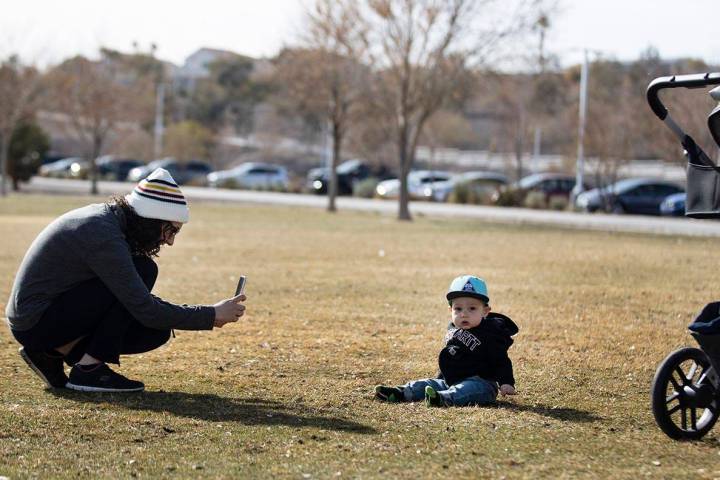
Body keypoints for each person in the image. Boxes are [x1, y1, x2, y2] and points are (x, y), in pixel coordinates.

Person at [5, 168, 246, 393]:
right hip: (35, 323)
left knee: (155, 332)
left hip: (38, 319)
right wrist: (211, 315)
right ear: (151, 220)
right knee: (144, 271)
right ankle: (88, 370)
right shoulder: (103, 235)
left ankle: (52, 353)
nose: (170, 241)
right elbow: (144, 308)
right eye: (170, 230)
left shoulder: (110, 223)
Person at [374, 275, 518, 407]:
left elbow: (501, 360)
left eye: (472, 308)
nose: (463, 314)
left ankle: (443, 399)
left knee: (467, 388)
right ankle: (401, 392)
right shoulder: (453, 329)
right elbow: (452, 356)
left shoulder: (491, 332)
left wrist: (506, 382)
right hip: (451, 380)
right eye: (458, 309)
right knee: (427, 383)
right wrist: (441, 378)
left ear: (485, 311)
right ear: (450, 310)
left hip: (483, 384)